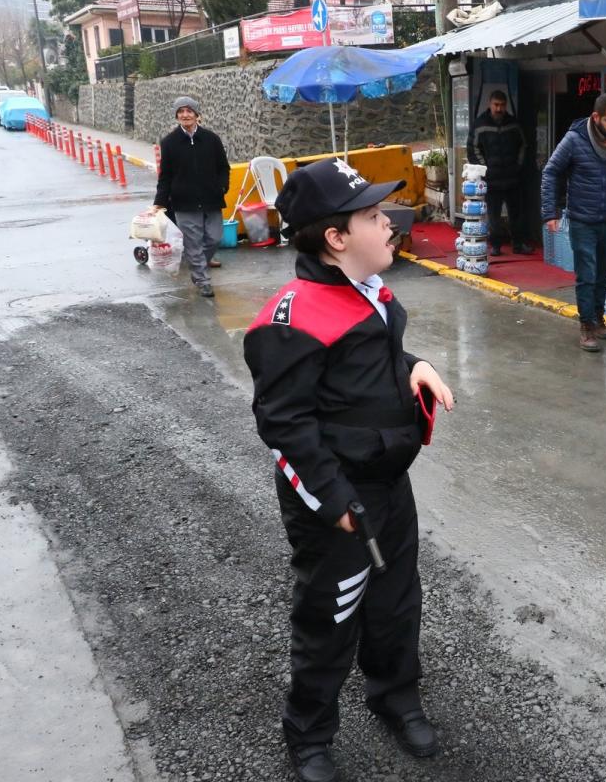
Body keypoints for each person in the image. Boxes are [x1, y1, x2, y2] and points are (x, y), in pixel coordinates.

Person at [243, 158, 454, 782]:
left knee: (395, 602)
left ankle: (396, 699)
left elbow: (375, 359)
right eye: (371, 215)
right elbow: (283, 424)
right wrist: (333, 501)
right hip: (335, 501)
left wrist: (412, 364)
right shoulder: (290, 319)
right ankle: (308, 736)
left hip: (391, 485)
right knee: (330, 613)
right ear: (336, 238)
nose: (390, 222)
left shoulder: (372, 293)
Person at [541, 93, 606, 352]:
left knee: (604, 272)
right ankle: (586, 325)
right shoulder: (574, 140)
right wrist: (550, 213)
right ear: (596, 117)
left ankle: (598, 318)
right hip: (581, 221)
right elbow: (551, 172)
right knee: (587, 274)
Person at [153, 96, 231, 298]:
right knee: (193, 243)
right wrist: (159, 202)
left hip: (211, 199)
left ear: (197, 115)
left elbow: (223, 167)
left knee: (214, 238)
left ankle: (197, 266)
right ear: (176, 116)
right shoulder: (169, 142)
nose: (185, 115)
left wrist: (222, 186)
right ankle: (202, 279)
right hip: (183, 202)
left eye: (189, 111)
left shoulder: (211, 138)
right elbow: (166, 175)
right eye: (181, 112)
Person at [466, 89, 531, 256]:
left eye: (502, 105)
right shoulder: (480, 124)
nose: (499, 108)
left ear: (506, 105)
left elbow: (523, 145)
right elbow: (472, 149)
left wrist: (518, 165)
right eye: (496, 105)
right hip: (492, 179)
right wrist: (485, 169)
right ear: (490, 104)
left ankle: (518, 244)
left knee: (516, 214)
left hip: (512, 177)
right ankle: (495, 245)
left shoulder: (513, 124)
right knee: (493, 216)